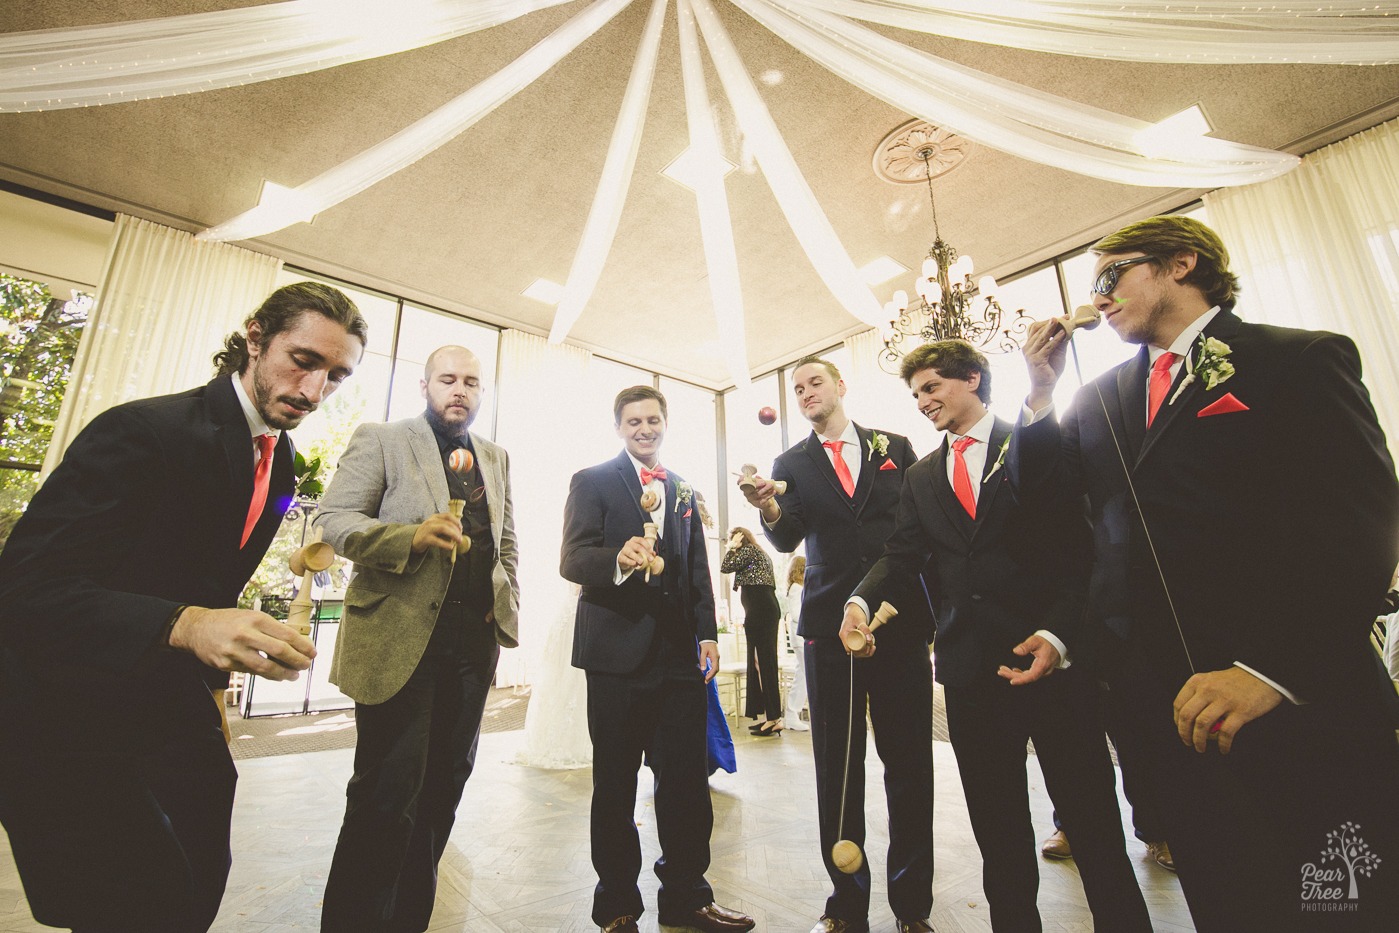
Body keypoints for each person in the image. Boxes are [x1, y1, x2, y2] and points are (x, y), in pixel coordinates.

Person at [1014, 215, 1399, 931]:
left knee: (1341, 903)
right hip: (1170, 714)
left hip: (1296, 702)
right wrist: (1039, 396)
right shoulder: (1101, 399)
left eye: (1110, 277)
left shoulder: (1296, 358)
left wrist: (1270, 670)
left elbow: (1358, 527)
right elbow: (1055, 514)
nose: (1097, 298)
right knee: (1229, 898)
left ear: (1180, 263)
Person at [0, 282, 366, 933]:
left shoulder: (280, 465)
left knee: (195, 877)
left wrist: (214, 690)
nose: (313, 392)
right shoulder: (142, 430)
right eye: (303, 360)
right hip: (66, 711)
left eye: (335, 376)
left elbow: (210, 586)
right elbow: (24, 586)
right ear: (254, 338)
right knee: (133, 900)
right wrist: (185, 622)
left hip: (167, 707)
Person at [844, 339, 1152, 932]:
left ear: (973, 380)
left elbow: (1080, 546)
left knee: (1092, 824)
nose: (922, 402)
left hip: (1054, 664)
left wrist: (1061, 634)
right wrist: (861, 598)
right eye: (915, 394)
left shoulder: (1036, 440)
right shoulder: (920, 476)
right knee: (999, 832)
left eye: (932, 387)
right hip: (969, 674)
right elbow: (902, 554)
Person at [312, 345, 519, 932]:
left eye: (471, 382)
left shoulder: (497, 457)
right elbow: (336, 520)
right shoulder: (382, 438)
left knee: (443, 791)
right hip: (398, 640)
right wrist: (410, 536)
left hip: (472, 647)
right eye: (448, 380)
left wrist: (506, 607)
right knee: (386, 794)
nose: (460, 390)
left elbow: (507, 542)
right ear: (424, 386)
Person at [740, 356, 934, 933]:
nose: (805, 393)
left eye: (814, 382)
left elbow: (921, 524)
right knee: (838, 770)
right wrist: (768, 504)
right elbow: (784, 534)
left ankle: (911, 908)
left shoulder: (894, 445)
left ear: (841, 386)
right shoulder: (790, 463)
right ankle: (846, 903)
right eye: (796, 389)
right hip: (830, 629)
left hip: (898, 622)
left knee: (908, 765)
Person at [561, 385, 755, 933]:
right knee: (616, 784)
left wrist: (708, 632)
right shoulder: (593, 480)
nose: (643, 429)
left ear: (664, 423)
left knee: (687, 785)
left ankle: (688, 898)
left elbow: (696, 569)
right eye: (633, 421)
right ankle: (618, 905)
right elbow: (572, 558)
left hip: (677, 659)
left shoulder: (686, 489)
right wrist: (616, 559)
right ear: (618, 427)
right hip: (615, 657)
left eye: (652, 420)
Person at [721, 526, 783, 735]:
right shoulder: (759, 553)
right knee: (763, 662)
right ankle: (771, 716)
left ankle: (774, 717)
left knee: (762, 662)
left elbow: (726, 567)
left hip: (760, 610)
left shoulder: (748, 551)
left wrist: (731, 547)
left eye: (732, 539)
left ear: (740, 538)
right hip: (764, 608)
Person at [781, 555, 810, 731]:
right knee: (803, 676)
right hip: (800, 637)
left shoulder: (799, 588)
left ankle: (793, 713)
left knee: (804, 674)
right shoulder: (796, 589)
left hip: (802, 637)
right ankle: (792, 714)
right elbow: (797, 614)